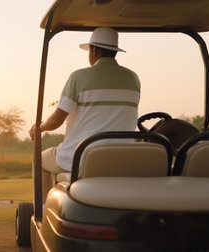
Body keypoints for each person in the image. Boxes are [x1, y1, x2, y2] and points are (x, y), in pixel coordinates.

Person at [29, 27, 141, 202]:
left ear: (94, 49)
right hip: (121, 158)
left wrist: (39, 127)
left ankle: (44, 209)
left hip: (81, 157)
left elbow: (56, 120)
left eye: (89, 50)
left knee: (40, 160)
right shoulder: (133, 78)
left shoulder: (78, 77)